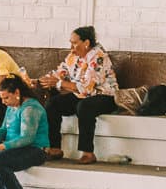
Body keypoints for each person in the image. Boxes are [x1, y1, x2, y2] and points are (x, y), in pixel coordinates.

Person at [38, 26, 120, 163]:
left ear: (86, 43)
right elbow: (60, 73)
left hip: (105, 96)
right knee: (53, 104)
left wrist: (59, 83)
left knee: (84, 107)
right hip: (81, 95)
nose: (71, 47)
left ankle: (88, 152)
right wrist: (40, 81)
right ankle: (54, 148)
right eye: (70, 42)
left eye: (74, 43)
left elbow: (87, 88)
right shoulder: (73, 56)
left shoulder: (98, 57)